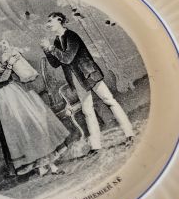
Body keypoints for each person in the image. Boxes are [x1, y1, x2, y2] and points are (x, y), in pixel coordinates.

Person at [0, 45, 67, 177]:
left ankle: (46, 166)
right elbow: (2, 80)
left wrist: (15, 62)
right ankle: (47, 166)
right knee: (26, 129)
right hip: (8, 100)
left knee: (35, 125)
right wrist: (9, 65)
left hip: (17, 93)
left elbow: (12, 75)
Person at [41, 12, 133, 152]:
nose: (48, 24)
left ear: (59, 21)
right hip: (77, 79)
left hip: (89, 74)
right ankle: (96, 146)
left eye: (50, 21)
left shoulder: (71, 36)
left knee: (109, 100)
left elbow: (67, 58)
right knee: (87, 111)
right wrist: (47, 51)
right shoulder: (56, 41)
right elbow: (55, 64)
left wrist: (52, 49)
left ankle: (129, 133)